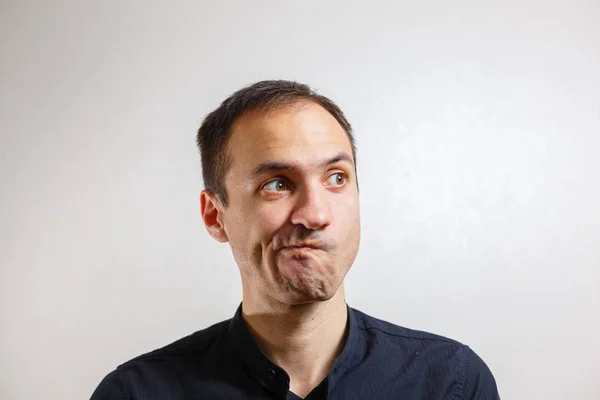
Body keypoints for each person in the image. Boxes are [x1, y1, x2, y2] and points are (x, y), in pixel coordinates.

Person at [91, 80, 500, 399]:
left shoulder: (452, 384)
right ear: (216, 216)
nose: (316, 214)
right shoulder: (136, 394)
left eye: (336, 178)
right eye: (277, 184)